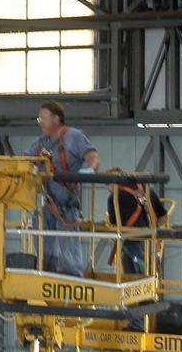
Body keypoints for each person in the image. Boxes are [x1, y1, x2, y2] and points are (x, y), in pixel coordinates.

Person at [27, 100, 99, 277]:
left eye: (43, 118)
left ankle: (73, 283)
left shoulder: (74, 137)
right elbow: (25, 161)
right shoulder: (40, 143)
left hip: (67, 205)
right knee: (44, 251)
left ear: (56, 119)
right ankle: (46, 280)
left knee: (69, 254)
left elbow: (92, 156)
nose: (40, 122)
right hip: (45, 204)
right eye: (39, 119)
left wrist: (89, 170)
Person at [105, 169, 166, 277]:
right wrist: (154, 232)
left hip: (129, 242)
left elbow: (113, 223)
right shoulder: (144, 190)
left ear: (110, 183)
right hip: (148, 239)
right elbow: (163, 217)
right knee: (147, 275)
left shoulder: (114, 198)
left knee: (131, 278)